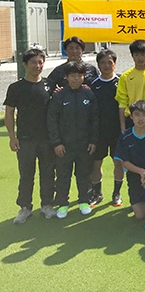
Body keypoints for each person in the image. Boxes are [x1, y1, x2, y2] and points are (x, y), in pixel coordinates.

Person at [4, 47, 56, 224]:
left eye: (40, 62)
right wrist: (12, 137)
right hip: (25, 140)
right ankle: (25, 208)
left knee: (48, 173)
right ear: (25, 65)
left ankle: (47, 205)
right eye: (34, 62)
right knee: (26, 175)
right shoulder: (16, 87)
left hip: (47, 139)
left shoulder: (50, 85)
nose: (37, 65)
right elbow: (9, 113)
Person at [47, 61, 99, 219]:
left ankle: (84, 201)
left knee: (83, 174)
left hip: (84, 145)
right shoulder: (59, 95)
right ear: (67, 77)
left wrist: (93, 140)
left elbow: (95, 119)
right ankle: (63, 204)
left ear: (83, 76)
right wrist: (56, 143)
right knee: (63, 175)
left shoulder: (89, 94)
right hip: (64, 145)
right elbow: (52, 120)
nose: (76, 79)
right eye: (73, 76)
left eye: (79, 75)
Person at [114, 100, 145, 230]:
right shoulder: (125, 136)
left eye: (144, 115)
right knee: (139, 215)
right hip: (134, 175)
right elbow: (124, 161)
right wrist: (142, 172)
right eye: (137, 115)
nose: (140, 118)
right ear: (131, 116)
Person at [89, 49, 124, 208]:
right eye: (103, 63)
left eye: (110, 62)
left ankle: (117, 193)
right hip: (98, 133)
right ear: (98, 65)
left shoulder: (122, 82)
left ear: (115, 64)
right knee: (95, 164)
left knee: (118, 163)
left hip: (117, 131)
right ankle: (97, 193)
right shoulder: (92, 85)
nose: (106, 66)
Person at [115, 39, 145, 131]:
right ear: (132, 56)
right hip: (132, 118)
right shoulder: (125, 76)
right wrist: (123, 127)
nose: (140, 58)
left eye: (142, 54)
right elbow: (122, 103)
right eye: (136, 55)